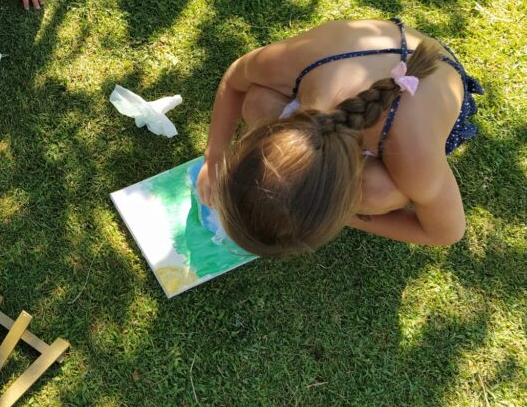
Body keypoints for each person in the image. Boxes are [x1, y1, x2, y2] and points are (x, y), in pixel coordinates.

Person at [196, 18, 483, 254]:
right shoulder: (293, 62)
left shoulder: (412, 157)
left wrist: (344, 217)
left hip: (426, 74)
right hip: (359, 66)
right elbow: (235, 79)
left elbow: (447, 232)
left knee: (380, 192)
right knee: (258, 102)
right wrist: (215, 156)